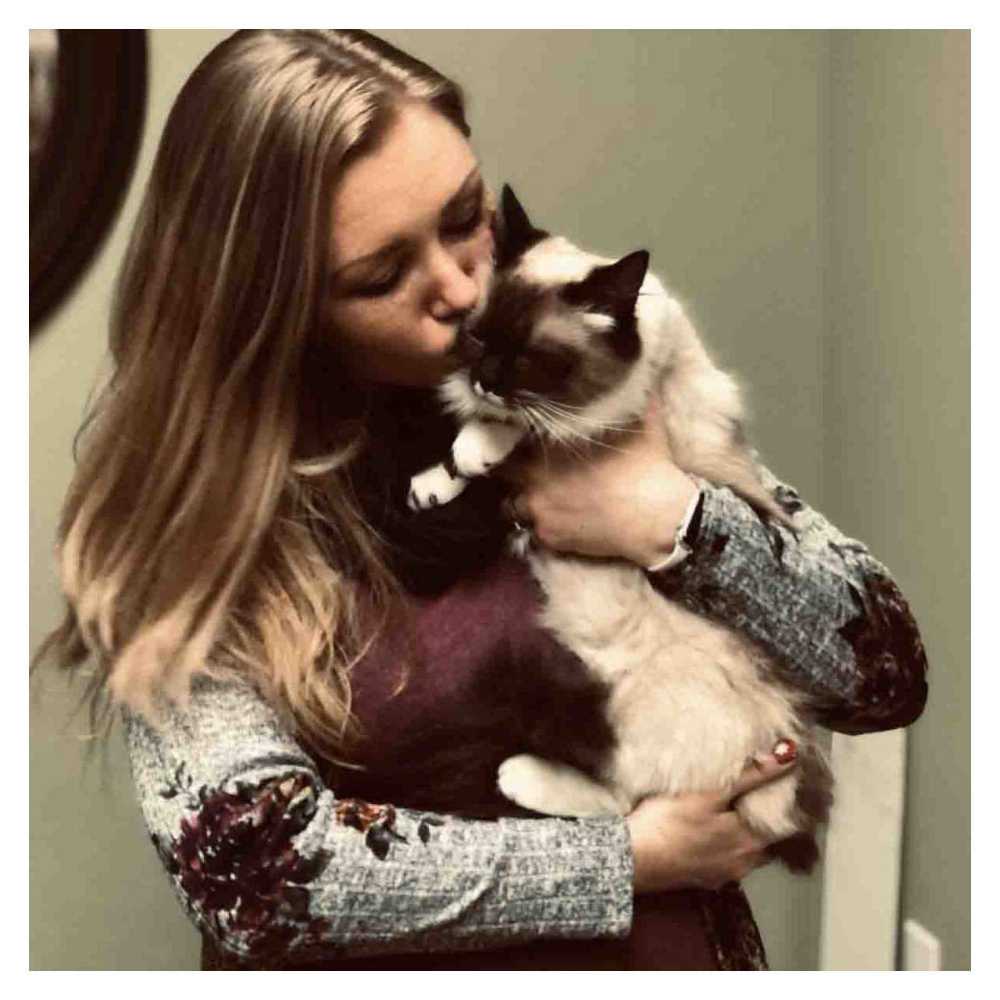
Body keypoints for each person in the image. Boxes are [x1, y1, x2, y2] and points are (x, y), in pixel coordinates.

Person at [34, 29, 928, 971]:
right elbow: (257, 878)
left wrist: (672, 517)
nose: (464, 290)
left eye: (466, 217)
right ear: (270, 306)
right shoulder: (191, 516)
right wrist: (625, 860)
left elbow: (882, 674)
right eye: (382, 276)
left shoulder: (573, 372)